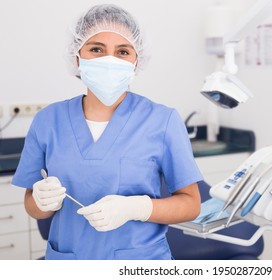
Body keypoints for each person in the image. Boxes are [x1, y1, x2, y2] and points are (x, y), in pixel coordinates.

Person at [11, 3, 203, 260]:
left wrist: (136, 208)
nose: (109, 61)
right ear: (76, 57)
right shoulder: (48, 121)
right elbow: (32, 206)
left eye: (122, 51)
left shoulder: (162, 120)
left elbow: (191, 205)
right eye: (96, 49)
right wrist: (42, 201)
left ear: (137, 62)